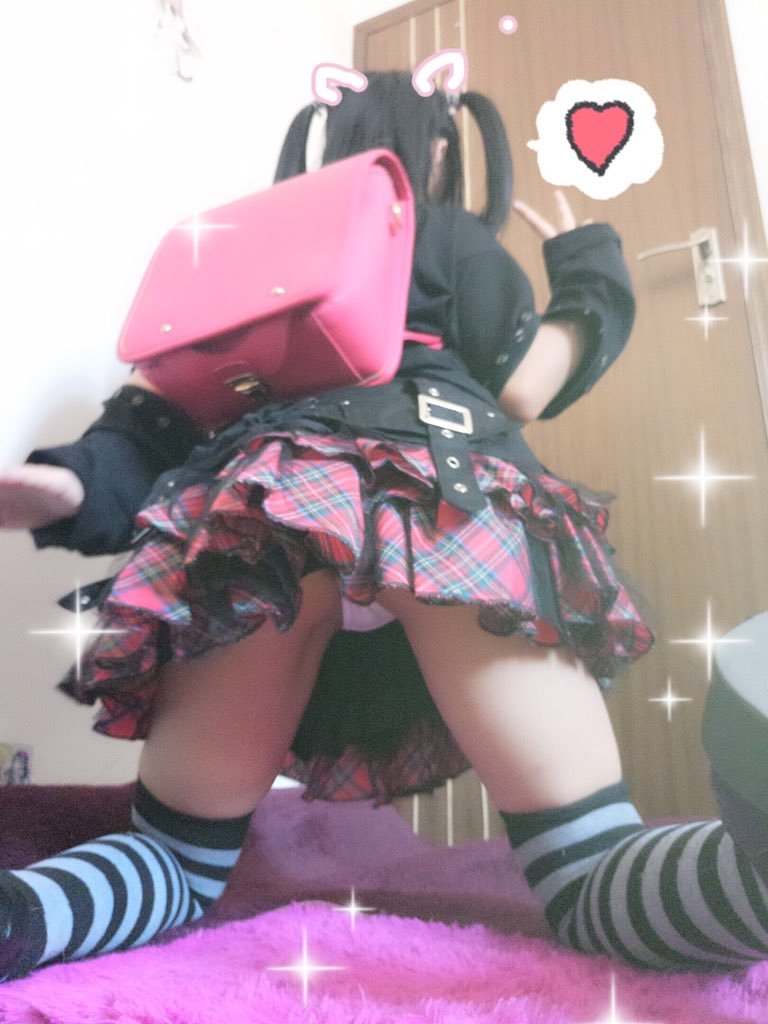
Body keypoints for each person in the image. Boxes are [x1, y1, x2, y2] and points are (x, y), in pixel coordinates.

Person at [0, 72, 765, 981]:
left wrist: (68, 485)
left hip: (269, 513)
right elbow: (524, 389)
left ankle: (22, 918)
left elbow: (158, 412)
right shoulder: (449, 234)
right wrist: (591, 275)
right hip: (443, 504)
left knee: (173, 857)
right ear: (438, 148)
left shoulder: (258, 243)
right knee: (590, 860)